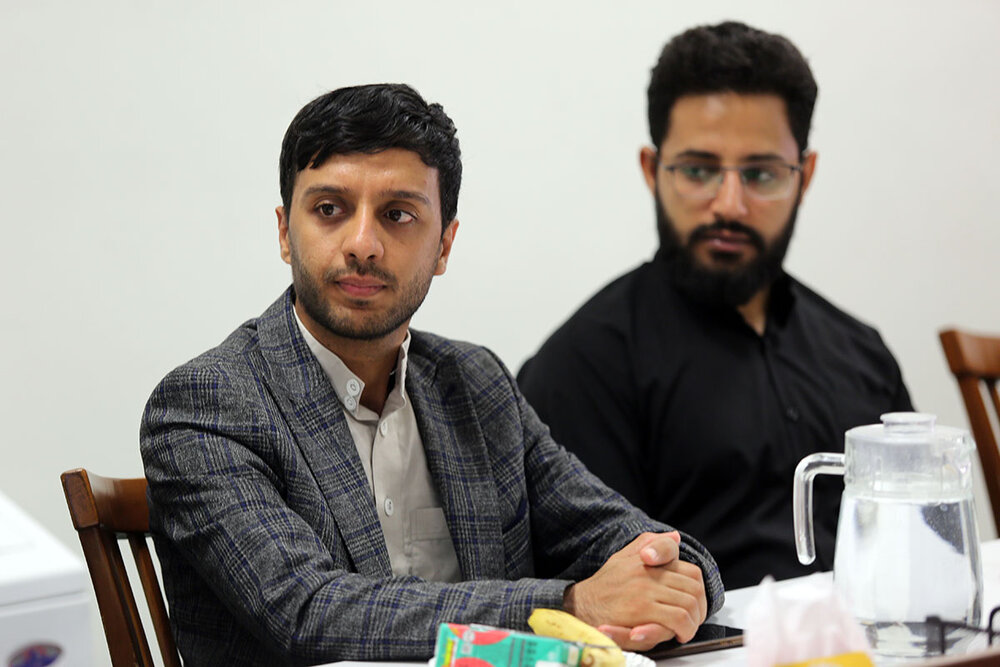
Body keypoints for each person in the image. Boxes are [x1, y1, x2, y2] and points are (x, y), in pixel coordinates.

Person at [140, 84, 723, 666]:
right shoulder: (207, 405)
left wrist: (673, 574)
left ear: (444, 245)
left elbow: (620, 534)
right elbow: (309, 613)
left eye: (398, 214)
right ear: (284, 233)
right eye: (329, 209)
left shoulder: (475, 385)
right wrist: (572, 606)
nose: (363, 245)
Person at [517, 22, 913, 591]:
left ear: (804, 177)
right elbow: (593, 605)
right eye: (699, 170)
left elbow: (921, 556)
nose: (729, 205)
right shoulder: (583, 365)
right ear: (652, 171)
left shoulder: (862, 353)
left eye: (761, 174)